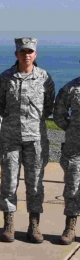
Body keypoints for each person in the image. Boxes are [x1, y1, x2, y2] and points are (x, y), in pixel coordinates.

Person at [0, 37, 55, 243]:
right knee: (9, 182)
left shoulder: (44, 78)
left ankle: (34, 225)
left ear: (35, 55)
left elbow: (48, 108)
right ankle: (9, 224)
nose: (26, 55)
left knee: (35, 183)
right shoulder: (5, 78)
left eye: (30, 52)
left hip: (35, 139)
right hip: (10, 138)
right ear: (16, 54)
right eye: (23, 51)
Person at [54, 66, 80, 245]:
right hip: (75, 147)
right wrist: (72, 130)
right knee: (72, 186)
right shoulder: (71, 89)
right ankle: (70, 227)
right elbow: (59, 115)